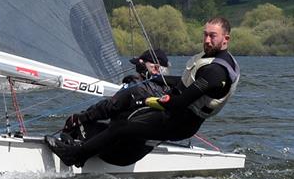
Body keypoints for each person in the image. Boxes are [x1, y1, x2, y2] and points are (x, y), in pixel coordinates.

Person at [47, 16, 240, 167]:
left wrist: (147, 99)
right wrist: (154, 79)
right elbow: (183, 83)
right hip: (177, 117)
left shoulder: (216, 72)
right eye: (205, 34)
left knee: (121, 127)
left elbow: (178, 103)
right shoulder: (210, 58)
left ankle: (75, 157)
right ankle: (91, 142)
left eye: (212, 36)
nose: (207, 40)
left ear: (226, 39)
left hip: (180, 122)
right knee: (125, 118)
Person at [55, 48, 174, 166]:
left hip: (113, 154)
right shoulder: (169, 95)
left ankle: (72, 153)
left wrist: (79, 118)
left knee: (81, 123)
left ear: (153, 67)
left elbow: (107, 108)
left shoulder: (136, 87)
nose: (136, 69)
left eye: (138, 65)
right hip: (135, 156)